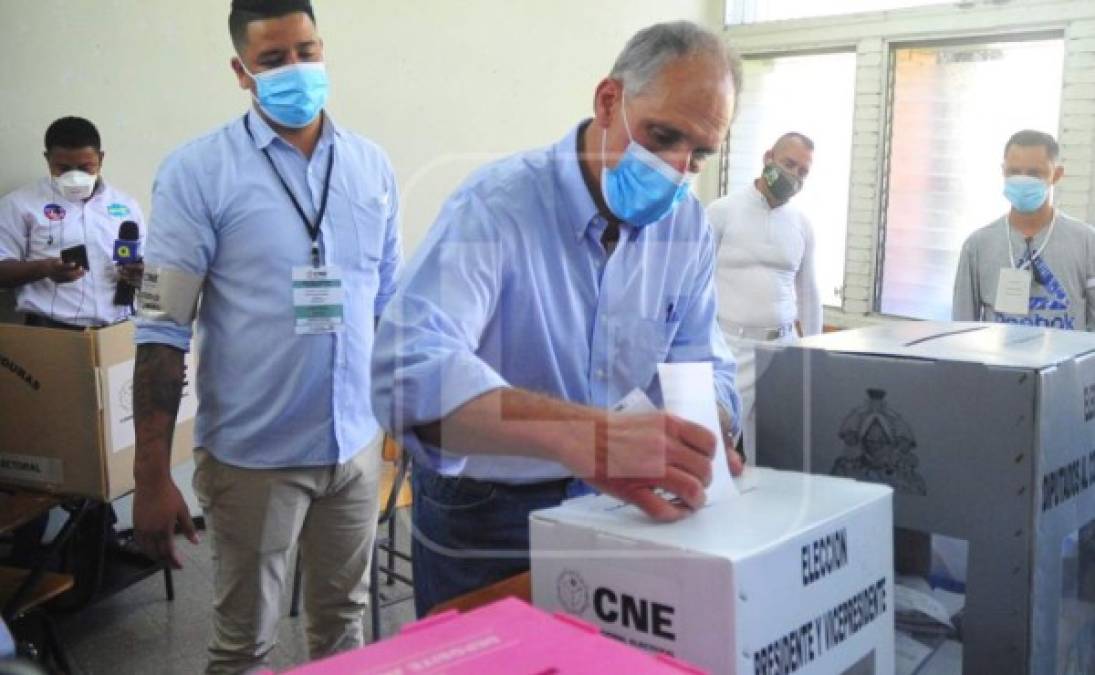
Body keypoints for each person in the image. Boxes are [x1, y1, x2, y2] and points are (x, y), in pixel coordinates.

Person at [371, 20, 743, 617]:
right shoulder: (496, 207)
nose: (677, 168)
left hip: (623, 506)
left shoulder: (688, 228)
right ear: (608, 100)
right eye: (663, 136)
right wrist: (588, 438)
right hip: (488, 513)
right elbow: (406, 374)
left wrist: (706, 428)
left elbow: (702, 357)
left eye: (699, 154)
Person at [131, 0, 401, 672]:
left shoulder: (370, 168)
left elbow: (390, 307)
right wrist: (150, 474)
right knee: (244, 645)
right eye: (273, 59)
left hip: (354, 445)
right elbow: (162, 330)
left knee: (343, 629)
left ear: (322, 46)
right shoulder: (197, 173)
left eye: (306, 52)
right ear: (240, 70)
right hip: (255, 455)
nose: (296, 70)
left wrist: (408, 419)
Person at [705, 132, 821, 463]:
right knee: (717, 443)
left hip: (783, 347)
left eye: (803, 172)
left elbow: (809, 292)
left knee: (782, 449)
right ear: (768, 157)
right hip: (731, 346)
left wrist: (813, 351)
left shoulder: (801, 225)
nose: (794, 176)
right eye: (789, 164)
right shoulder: (722, 212)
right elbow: (696, 284)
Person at [0, 116, 145, 330]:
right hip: (51, 333)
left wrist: (142, 272)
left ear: (101, 158)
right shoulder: (19, 204)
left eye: (86, 167)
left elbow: (154, 267)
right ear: (47, 159)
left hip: (119, 332)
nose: (75, 176)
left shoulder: (126, 205)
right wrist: (46, 268)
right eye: (63, 168)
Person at [953, 129, 1095, 331]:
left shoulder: (1086, 242)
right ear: (1003, 171)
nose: (1022, 180)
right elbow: (961, 327)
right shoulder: (977, 245)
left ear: (1056, 174)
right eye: (1014, 172)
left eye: (1034, 173)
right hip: (998, 362)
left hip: (1062, 361)